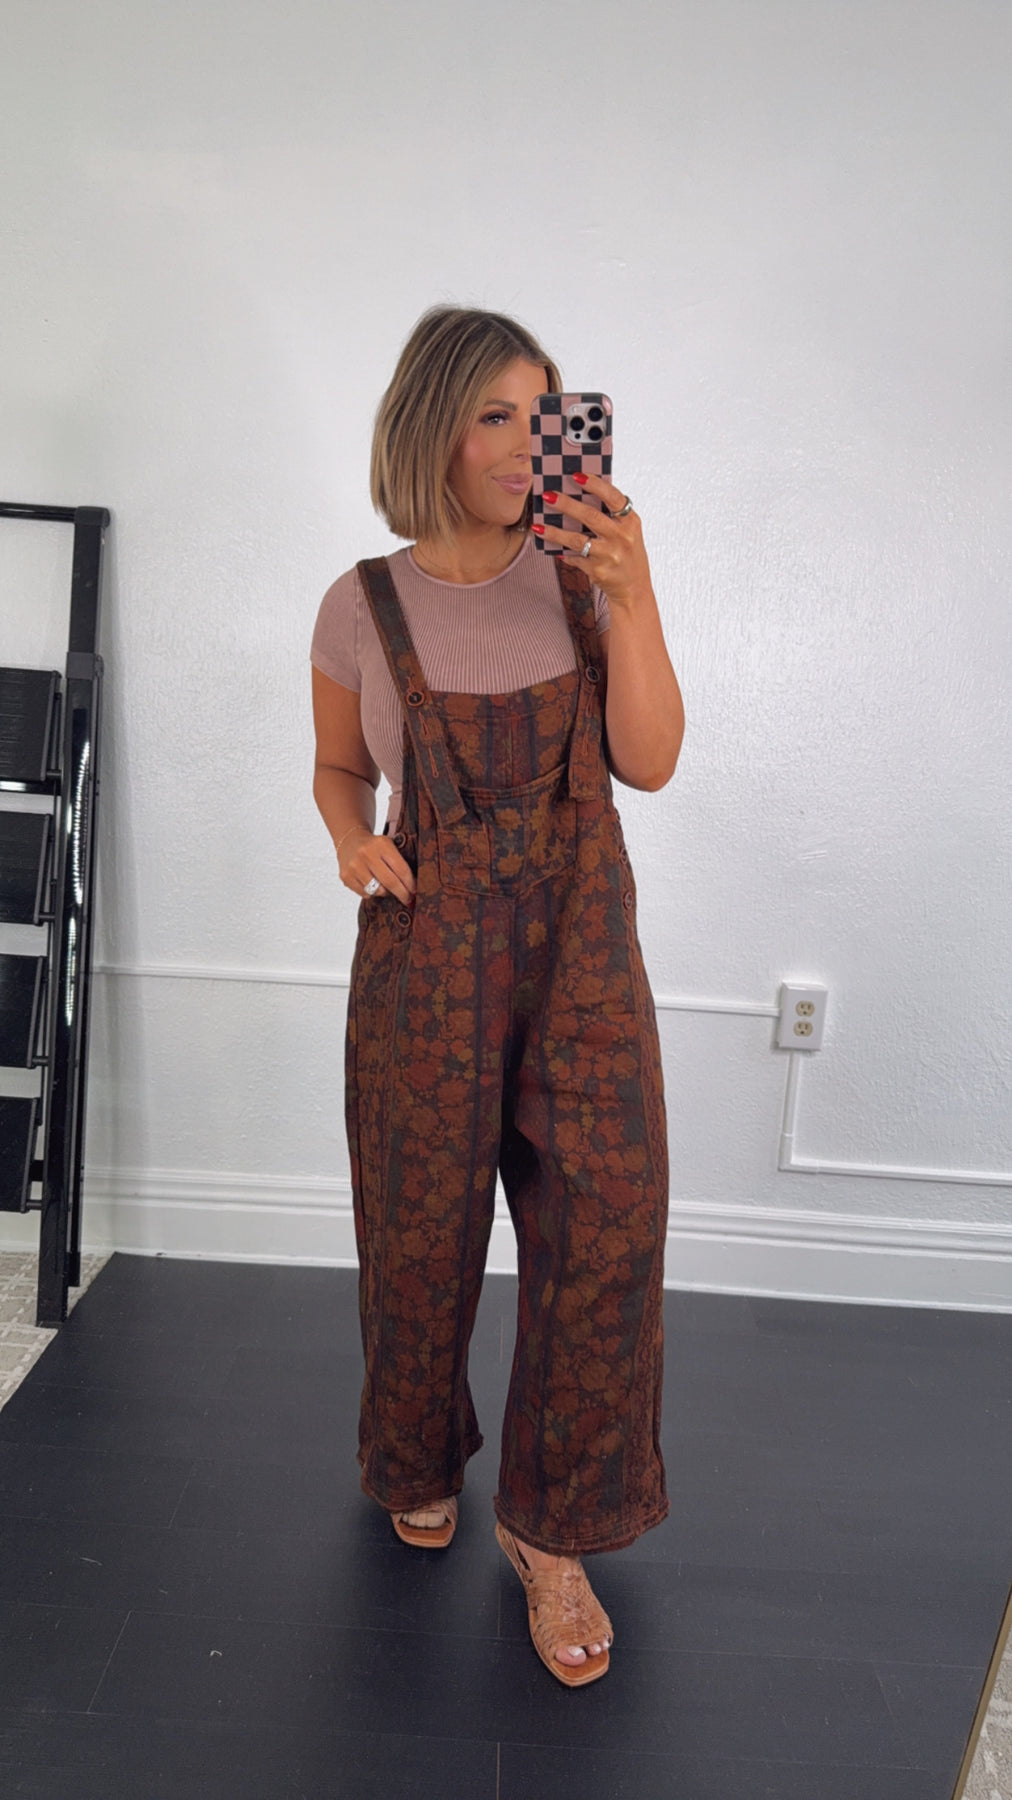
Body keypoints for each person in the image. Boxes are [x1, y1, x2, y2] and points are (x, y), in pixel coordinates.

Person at [310, 305, 684, 1687]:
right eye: (495, 416)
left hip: (582, 957)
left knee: (609, 1225)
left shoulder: (585, 580)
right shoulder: (361, 604)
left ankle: (551, 1530)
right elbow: (338, 767)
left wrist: (637, 594)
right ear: (432, 429)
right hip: (426, 954)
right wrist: (348, 837)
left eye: (546, 413)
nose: (528, 443)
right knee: (420, 1226)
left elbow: (651, 761)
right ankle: (416, 1455)